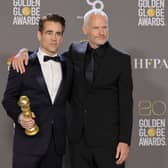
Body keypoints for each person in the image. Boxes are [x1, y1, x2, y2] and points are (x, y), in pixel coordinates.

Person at [11, 9, 133, 168]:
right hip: (77, 142)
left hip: (108, 142)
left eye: (104, 27)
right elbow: (48, 56)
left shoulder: (121, 59)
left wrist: (124, 141)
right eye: (96, 28)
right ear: (85, 30)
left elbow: (126, 104)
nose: (101, 32)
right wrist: (24, 52)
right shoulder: (75, 51)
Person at [2, 13, 72, 168]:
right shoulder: (23, 63)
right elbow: (8, 99)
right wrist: (20, 117)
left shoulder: (69, 65)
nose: (54, 38)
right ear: (39, 35)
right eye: (49, 33)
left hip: (56, 146)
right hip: (28, 146)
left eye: (58, 33)